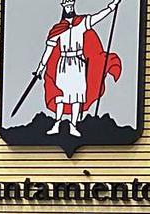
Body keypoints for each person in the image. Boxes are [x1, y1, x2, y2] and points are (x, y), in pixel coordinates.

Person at [36, 0, 122, 136]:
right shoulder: (58, 29)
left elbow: (97, 17)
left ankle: (73, 125)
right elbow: (49, 50)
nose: (69, 8)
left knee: (77, 96)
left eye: (71, 6)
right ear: (63, 8)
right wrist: (41, 67)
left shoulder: (81, 23)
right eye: (67, 6)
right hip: (63, 63)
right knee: (60, 95)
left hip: (78, 63)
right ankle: (57, 124)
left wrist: (111, 7)